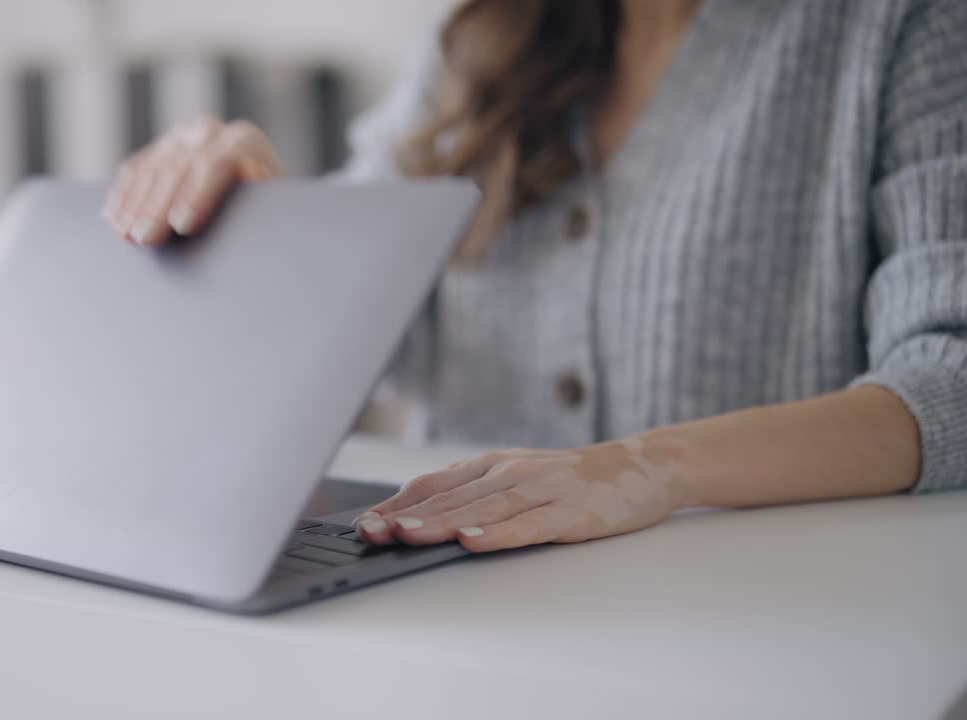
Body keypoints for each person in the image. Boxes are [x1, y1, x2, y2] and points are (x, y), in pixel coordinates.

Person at [104, 0, 967, 553]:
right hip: (455, 616)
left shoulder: (897, 26)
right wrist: (253, 214)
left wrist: (647, 469)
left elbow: (949, 380)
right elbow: (366, 318)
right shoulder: (483, 38)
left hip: (757, 628)